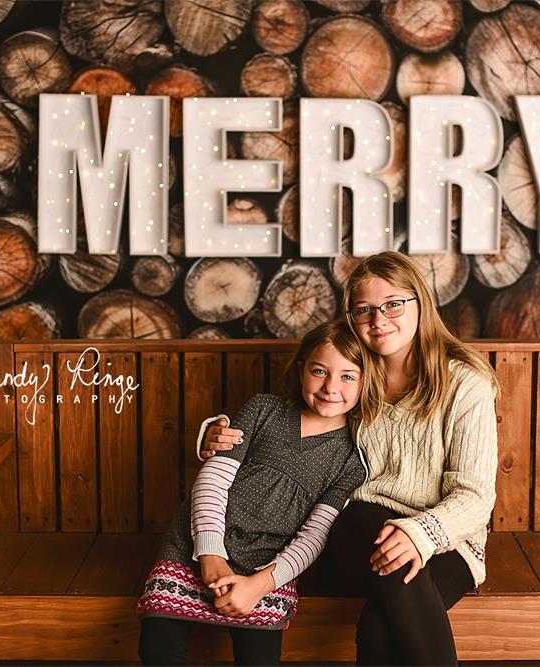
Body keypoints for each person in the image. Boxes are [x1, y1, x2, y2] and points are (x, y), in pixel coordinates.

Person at [200, 251, 499, 666]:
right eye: (364, 310)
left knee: (380, 624)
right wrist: (218, 433)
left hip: (449, 538)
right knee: (377, 538)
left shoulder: (465, 382)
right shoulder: (355, 373)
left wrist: (420, 533)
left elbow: (476, 495)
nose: (379, 320)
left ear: (420, 302)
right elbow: (291, 417)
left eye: (393, 304)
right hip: (358, 530)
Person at [137, 321, 370, 666]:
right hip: (196, 544)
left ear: (367, 382)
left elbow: (315, 534)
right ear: (301, 368)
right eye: (319, 371)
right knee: (159, 650)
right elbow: (213, 481)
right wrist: (211, 554)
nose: (330, 387)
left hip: (268, 565)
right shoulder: (263, 410)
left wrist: (261, 584)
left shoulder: (352, 459)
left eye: (348, 376)